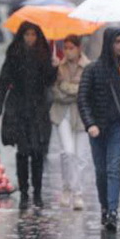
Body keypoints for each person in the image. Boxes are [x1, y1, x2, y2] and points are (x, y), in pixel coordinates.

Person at [0, 21, 57, 210]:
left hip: (38, 111)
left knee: (37, 152)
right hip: (18, 110)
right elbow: (3, 81)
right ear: (22, 36)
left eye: (33, 35)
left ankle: (37, 193)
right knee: (22, 153)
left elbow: (48, 81)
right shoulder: (14, 54)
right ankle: (24, 193)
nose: (30, 38)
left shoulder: (44, 54)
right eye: (27, 35)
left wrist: (53, 67)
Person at [77, 28, 120, 230]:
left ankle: (112, 211)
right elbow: (83, 98)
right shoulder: (93, 69)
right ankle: (104, 206)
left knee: (113, 169)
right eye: (117, 41)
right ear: (109, 43)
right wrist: (90, 123)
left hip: (118, 127)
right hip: (98, 128)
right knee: (101, 171)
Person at [49, 34, 91, 210]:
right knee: (67, 152)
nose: (68, 51)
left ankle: (78, 192)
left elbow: (86, 91)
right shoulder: (59, 66)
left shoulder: (88, 67)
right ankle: (68, 188)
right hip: (63, 113)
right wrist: (71, 90)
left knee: (81, 156)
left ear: (79, 48)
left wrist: (69, 89)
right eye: (65, 47)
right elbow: (55, 90)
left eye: (71, 47)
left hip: (82, 115)